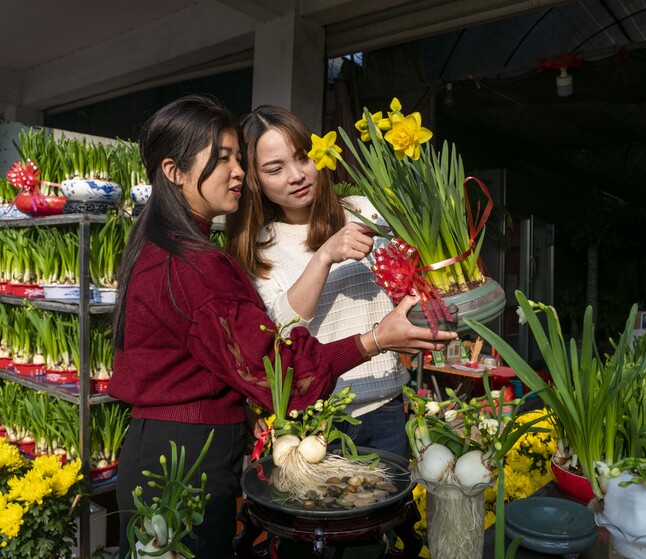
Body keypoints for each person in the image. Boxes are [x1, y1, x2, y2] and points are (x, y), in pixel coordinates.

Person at [108, 95, 455, 559]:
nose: (238, 173)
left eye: (237, 158)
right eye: (225, 159)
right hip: (185, 460)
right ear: (174, 171)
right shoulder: (201, 263)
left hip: (171, 449)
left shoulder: (162, 247)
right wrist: (373, 340)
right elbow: (280, 374)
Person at [226, 105, 411, 457]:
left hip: (384, 404)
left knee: (386, 511)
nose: (296, 175)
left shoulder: (362, 210)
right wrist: (324, 256)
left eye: (302, 158)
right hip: (313, 420)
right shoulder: (259, 248)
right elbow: (279, 332)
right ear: (255, 179)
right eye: (275, 169)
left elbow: (404, 278)